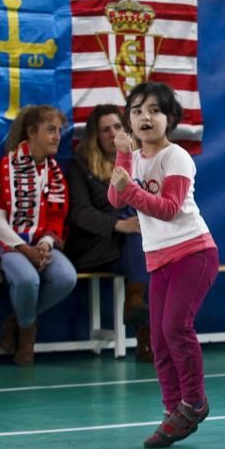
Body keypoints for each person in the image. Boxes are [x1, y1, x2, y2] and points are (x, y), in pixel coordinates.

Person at [107, 81, 219, 449]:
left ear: (169, 118)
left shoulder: (177, 158)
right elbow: (115, 197)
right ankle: (173, 410)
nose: (145, 117)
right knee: (157, 338)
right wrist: (123, 159)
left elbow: (169, 209)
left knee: (175, 327)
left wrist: (131, 187)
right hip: (158, 259)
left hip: (193, 253)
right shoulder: (134, 158)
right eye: (137, 111)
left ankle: (194, 401)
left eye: (154, 110)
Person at [0, 105, 78, 366]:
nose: (57, 137)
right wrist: (26, 250)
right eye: (51, 130)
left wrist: (44, 244)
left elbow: (55, 217)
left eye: (59, 131)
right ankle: (28, 334)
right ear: (31, 133)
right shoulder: (2, 169)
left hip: (36, 243)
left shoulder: (55, 174)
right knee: (27, 279)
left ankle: (17, 321)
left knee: (66, 278)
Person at [66, 104, 152, 362]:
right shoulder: (80, 164)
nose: (113, 133)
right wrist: (118, 225)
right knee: (137, 237)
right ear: (95, 135)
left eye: (117, 127)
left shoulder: (139, 160)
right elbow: (80, 213)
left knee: (145, 242)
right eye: (105, 130)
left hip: (133, 244)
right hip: (95, 244)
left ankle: (140, 312)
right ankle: (144, 332)